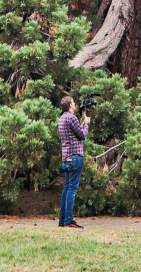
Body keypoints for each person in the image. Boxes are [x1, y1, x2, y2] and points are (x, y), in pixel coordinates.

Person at [58, 95, 90, 228]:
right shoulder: (71, 117)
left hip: (66, 157)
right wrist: (87, 123)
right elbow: (82, 135)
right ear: (70, 105)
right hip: (75, 156)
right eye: (74, 102)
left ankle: (63, 219)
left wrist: (82, 120)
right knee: (72, 189)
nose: (75, 104)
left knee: (67, 188)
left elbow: (74, 133)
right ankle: (68, 220)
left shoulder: (62, 118)